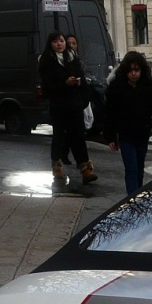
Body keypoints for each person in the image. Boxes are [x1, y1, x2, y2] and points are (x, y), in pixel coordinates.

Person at [104, 52, 152, 196]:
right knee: (131, 169)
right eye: (130, 71)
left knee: (139, 167)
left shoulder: (148, 87)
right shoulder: (116, 88)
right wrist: (110, 137)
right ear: (125, 71)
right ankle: (132, 198)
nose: (133, 74)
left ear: (142, 70)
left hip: (142, 133)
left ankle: (137, 196)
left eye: (136, 70)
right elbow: (109, 114)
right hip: (126, 134)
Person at [39, 30, 96, 188]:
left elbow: (82, 79)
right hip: (58, 105)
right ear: (51, 44)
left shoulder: (72, 58)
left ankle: (85, 168)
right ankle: (57, 166)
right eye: (56, 41)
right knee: (59, 136)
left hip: (74, 104)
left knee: (78, 136)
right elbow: (48, 87)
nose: (60, 44)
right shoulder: (47, 61)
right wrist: (65, 84)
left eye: (62, 41)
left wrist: (82, 95)